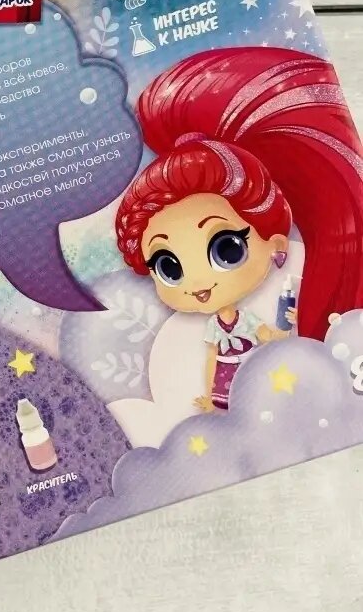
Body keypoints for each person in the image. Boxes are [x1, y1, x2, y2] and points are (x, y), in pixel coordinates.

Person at [115, 47, 363, 411]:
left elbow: (271, 338)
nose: (198, 282)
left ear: (276, 244)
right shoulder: (217, 325)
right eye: (168, 266)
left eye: (226, 248)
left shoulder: (256, 316)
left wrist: (287, 328)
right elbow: (214, 357)